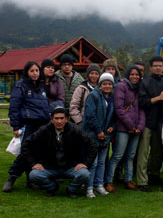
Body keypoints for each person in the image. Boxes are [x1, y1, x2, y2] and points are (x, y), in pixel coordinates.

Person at [24, 101, 97, 198]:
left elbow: (92, 144)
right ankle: (52, 187)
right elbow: (26, 144)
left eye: (62, 118)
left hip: (70, 166)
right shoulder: (44, 130)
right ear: (51, 119)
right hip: (49, 167)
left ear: (66, 119)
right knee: (33, 175)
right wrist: (33, 163)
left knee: (85, 174)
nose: (59, 121)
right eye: (56, 118)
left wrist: (85, 163)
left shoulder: (75, 130)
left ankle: (71, 190)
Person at [3, 61, 50, 192]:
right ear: (27, 72)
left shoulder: (41, 87)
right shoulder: (21, 86)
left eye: (37, 71)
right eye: (32, 71)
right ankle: (12, 177)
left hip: (42, 124)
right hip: (28, 124)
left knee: (37, 153)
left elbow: (45, 105)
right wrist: (15, 126)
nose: (35, 73)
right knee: (26, 152)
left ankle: (31, 180)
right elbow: (14, 106)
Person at [105, 66, 145, 193]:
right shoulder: (121, 87)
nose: (135, 77)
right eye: (132, 74)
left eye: (137, 74)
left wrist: (139, 127)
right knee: (118, 155)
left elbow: (142, 109)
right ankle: (109, 181)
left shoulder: (139, 89)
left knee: (131, 156)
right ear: (128, 75)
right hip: (123, 127)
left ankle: (129, 180)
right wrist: (130, 126)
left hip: (136, 128)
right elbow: (119, 108)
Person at [136, 56, 163, 191]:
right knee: (143, 153)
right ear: (150, 67)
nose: (158, 68)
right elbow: (143, 102)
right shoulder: (144, 82)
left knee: (157, 153)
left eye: (160, 65)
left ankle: (154, 175)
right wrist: (158, 98)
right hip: (146, 122)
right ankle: (142, 181)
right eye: (155, 65)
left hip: (159, 123)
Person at [82, 72, 116, 198]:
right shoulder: (93, 96)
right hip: (92, 134)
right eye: (104, 84)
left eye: (109, 84)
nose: (107, 86)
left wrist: (113, 126)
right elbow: (90, 115)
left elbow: (113, 115)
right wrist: (98, 131)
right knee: (93, 162)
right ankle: (89, 187)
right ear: (100, 85)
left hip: (105, 136)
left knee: (102, 162)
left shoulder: (112, 97)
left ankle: (99, 185)